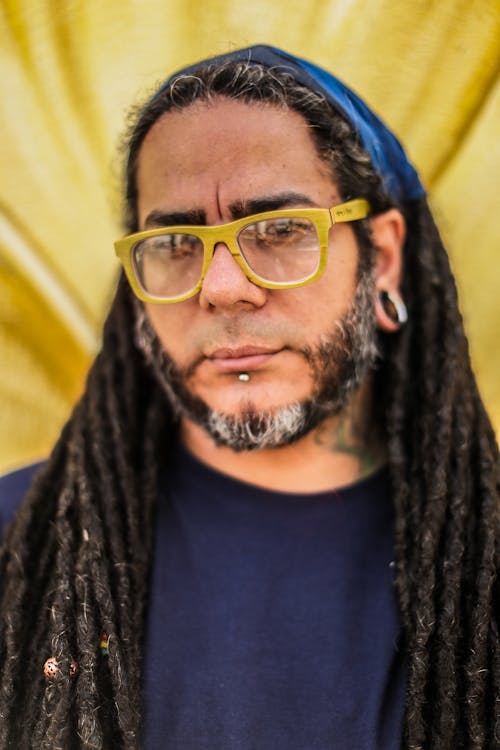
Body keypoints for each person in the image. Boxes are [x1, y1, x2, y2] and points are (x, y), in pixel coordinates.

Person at [0, 44, 498, 750]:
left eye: (280, 230)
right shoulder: (19, 547)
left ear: (381, 259)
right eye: (175, 240)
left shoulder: (485, 558)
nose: (223, 286)